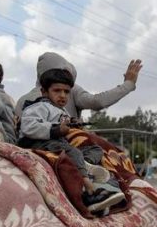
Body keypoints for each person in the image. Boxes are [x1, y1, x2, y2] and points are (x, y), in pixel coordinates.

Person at [19, 68, 125, 214]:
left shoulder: (62, 110)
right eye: (57, 91)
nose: (62, 95)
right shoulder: (38, 107)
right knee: (72, 151)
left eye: (66, 92)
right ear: (44, 92)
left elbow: (65, 124)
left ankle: (84, 164)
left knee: (96, 149)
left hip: (60, 145)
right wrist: (55, 130)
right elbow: (28, 126)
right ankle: (87, 184)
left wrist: (74, 123)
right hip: (39, 144)